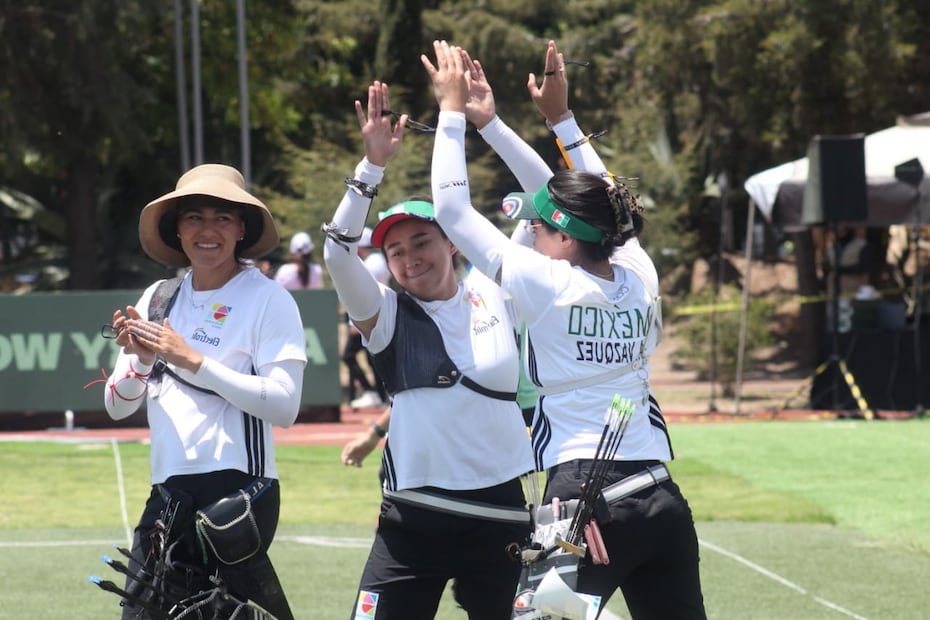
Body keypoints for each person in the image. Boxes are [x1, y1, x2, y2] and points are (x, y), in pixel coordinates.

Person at [423, 40, 706, 618]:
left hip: (586, 498)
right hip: (659, 496)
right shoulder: (636, 269)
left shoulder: (547, 284)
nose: (532, 236)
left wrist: (452, 115)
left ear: (568, 239)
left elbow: (451, 214)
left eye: (541, 229)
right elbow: (605, 201)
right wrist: (538, 121)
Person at [322, 80, 534, 619]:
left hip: (501, 515)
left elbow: (547, 198)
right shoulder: (386, 314)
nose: (409, 258)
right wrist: (371, 167)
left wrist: (488, 123)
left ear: (451, 241)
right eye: (395, 250)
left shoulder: (498, 286)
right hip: (413, 518)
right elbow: (337, 253)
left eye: (422, 241)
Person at [102, 163, 306, 619]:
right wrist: (142, 358)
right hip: (168, 491)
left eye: (222, 217)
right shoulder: (158, 295)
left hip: (238, 490)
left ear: (241, 229)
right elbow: (116, 406)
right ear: (177, 230)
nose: (207, 230)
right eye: (193, 217)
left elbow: (285, 405)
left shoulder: (269, 298)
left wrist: (192, 360)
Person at [342, 226, 390, 409]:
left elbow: (362, 293)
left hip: (369, 317)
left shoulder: (370, 264)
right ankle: (380, 394)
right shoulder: (379, 260)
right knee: (373, 358)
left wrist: (353, 322)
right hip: (378, 316)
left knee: (349, 356)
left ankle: (373, 392)